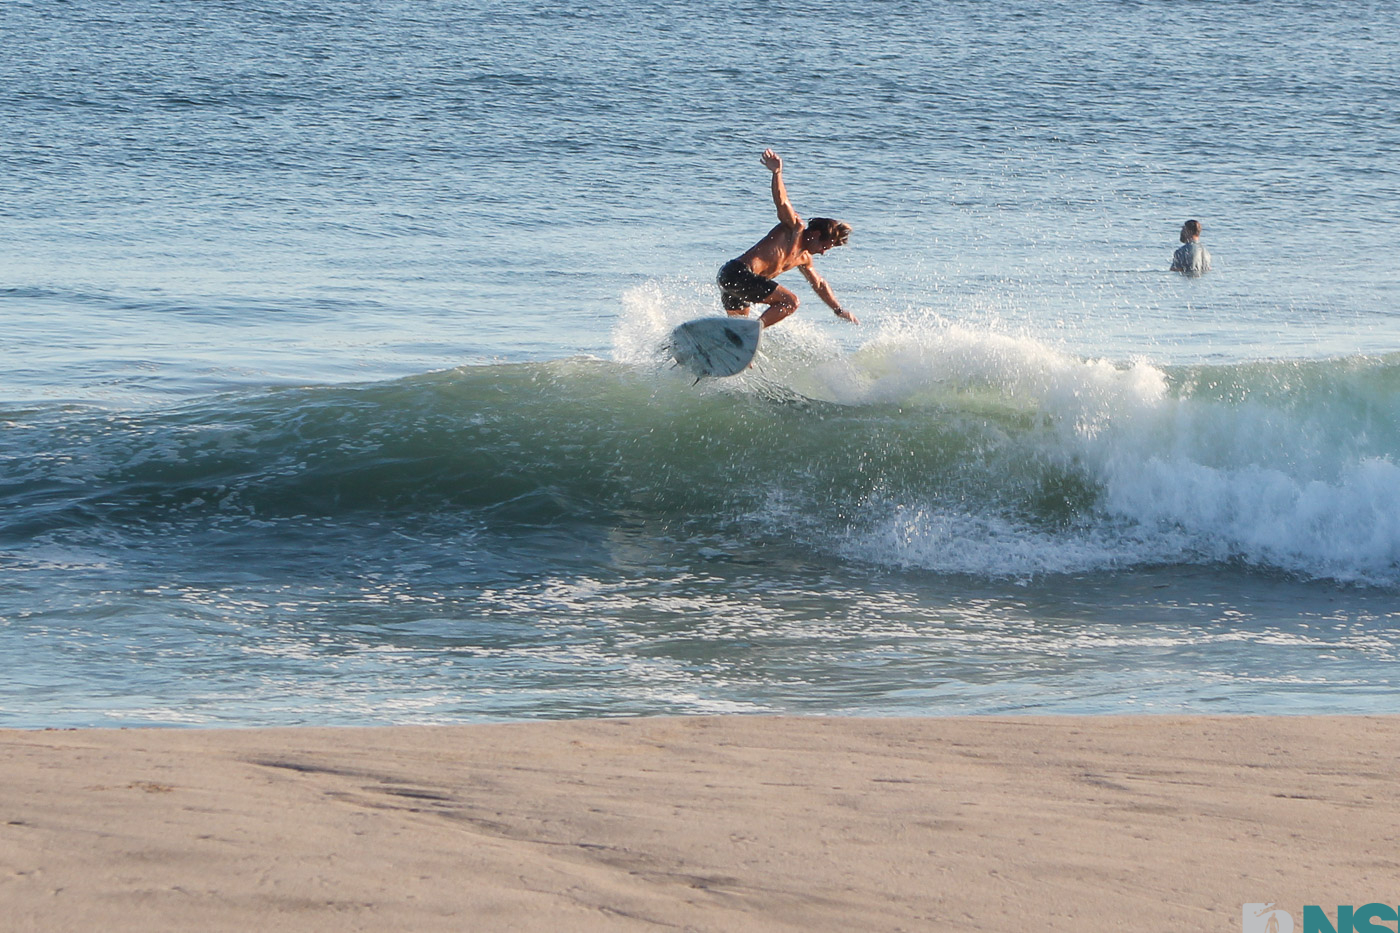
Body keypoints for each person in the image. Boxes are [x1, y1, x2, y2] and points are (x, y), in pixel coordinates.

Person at [717, 149, 859, 328]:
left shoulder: (804, 258)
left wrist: (838, 310)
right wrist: (777, 173)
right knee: (790, 302)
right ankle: (751, 331)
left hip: (737, 282)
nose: (822, 252)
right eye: (824, 246)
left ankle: (730, 340)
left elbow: (820, 284)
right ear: (815, 235)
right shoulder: (793, 227)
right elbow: (782, 201)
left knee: (736, 329)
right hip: (737, 273)